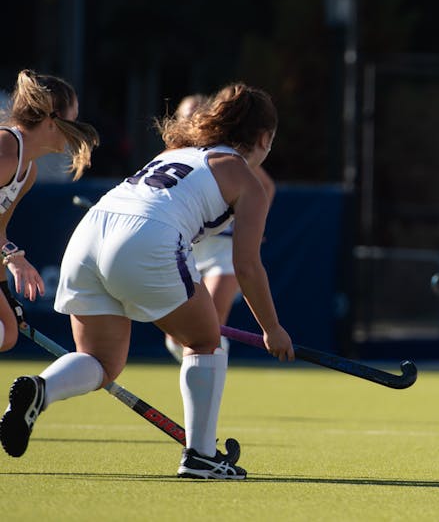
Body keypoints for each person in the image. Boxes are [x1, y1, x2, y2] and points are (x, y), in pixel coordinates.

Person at [0, 82, 294, 480]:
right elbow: (247, 266)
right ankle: (202, 457)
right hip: (148, 239)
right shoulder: (247, 181)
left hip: (89, 234)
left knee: (102, 361)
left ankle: (41, 389)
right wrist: (272, 329)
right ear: (263, 138)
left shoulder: (175, 153)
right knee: (205, 342)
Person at [164, 94, 277, 362]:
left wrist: (251, 224)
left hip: (224, 252)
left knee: (210, 326)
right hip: (185, 250)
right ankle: (205, 381)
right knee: (178, 336)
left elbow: (264, 187)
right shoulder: (177, 154)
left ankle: (209, 389)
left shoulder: (231, 159)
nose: (191, 118)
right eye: (186, 114)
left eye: (197, 112)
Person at [0, 69, 99, 352]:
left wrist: (5, 290)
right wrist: (12, 256)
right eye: (72, 118)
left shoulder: (27, 171)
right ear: (51, 121)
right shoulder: (5, 153)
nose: (76, 127)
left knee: (7, 333)